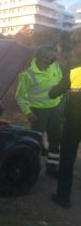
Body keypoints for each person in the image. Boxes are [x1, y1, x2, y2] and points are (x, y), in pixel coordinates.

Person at [15, 45, 64, 178]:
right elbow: (20, 96)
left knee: (55, 140)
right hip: (38, 112)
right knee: (35, 140)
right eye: (49, 57)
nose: (51, 61)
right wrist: (27, 112)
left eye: (53, 57)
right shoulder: (28, 74)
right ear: (40, 57)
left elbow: (60, 83)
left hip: (55, 109)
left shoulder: (54, 66)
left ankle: (52, 168)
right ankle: (30, 168)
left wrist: (60, 102)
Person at [49, 66, 81, 208]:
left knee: (67, 157)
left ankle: (63, 197)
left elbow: (53, 93)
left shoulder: (75, 73)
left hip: (74, 122)